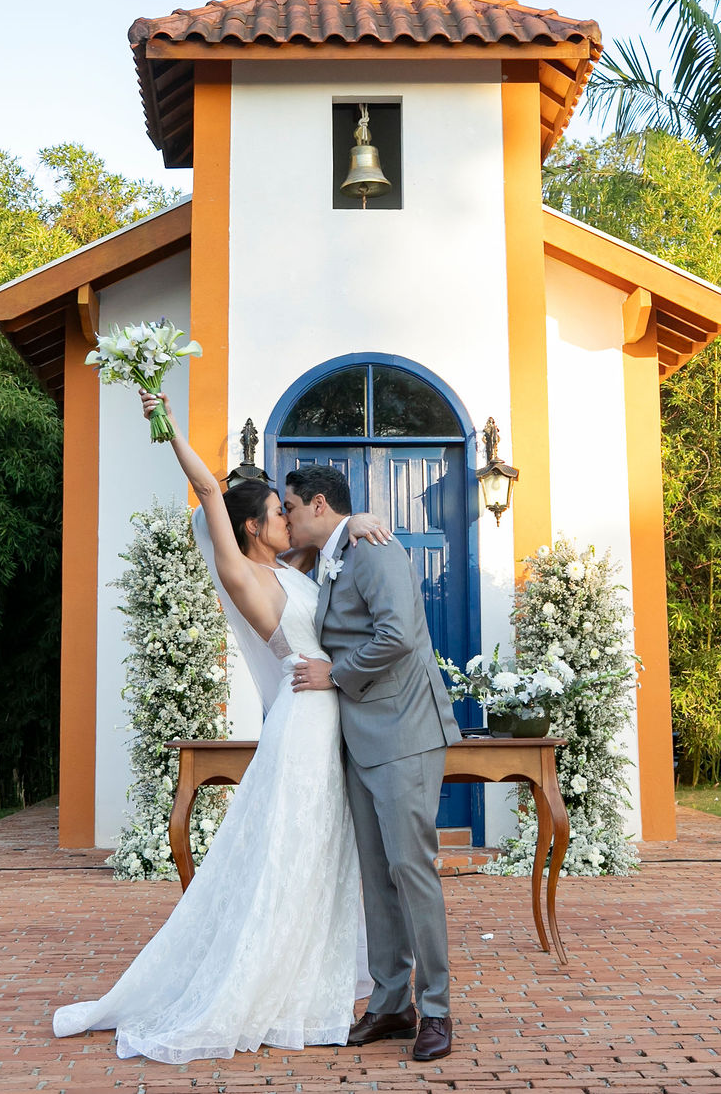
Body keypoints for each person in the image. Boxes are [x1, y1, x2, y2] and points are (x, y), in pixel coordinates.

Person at [52, 391, 390, 1064]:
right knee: (286, 854)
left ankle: (306, 982)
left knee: (320, 852)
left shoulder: (291, 569)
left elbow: (332, 550)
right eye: (276, 513)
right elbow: (209, 485)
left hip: (330, 718)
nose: (287, 520)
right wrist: (166, 418)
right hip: (303, 721)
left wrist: (358, 522)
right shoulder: (243, 577)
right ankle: (257, 985)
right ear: (251, 528)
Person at [285, 461, 465, 1062]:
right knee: (376, 874)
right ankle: (391, 1002)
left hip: (405, 731)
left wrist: (332, 673)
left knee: (413, 870)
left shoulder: (375, 550)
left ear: (315, 505)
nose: (284, 519)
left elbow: (398, 637)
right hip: (359, 737)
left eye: (289, 508)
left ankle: (435, 1008)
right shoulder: (336, 550)